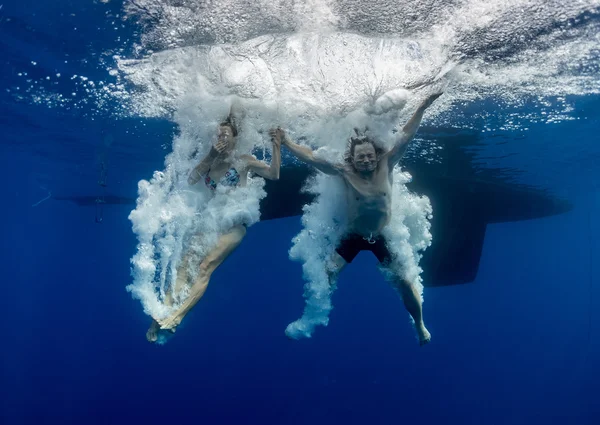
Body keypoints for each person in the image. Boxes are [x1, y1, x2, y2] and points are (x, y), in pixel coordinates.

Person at [272, 92, 442, 345]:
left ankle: (419, 324)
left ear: (376, 155)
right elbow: (311, 158)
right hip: (353, 236)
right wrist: (286, 142)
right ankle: (311, 315)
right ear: (353, 159)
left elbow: (406, 135)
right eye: (360, 157)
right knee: (327, 273)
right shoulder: (344, 171)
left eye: (369, 155)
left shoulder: (388, 163)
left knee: (405, 283)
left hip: (381, 236)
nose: (366, 160)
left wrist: (423, 105)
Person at [146, 115, 282, 342]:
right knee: (183, 267)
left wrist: (277, 145)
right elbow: (191, 180)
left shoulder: (243, 160)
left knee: (204, 267)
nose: (222, 138)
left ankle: (177, 317)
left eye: (226, 135)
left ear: (235, 139)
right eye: (218, 134)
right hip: (211, 223)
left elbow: (274, 174)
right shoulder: (209, 160)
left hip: (234, 225)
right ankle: (159, 316)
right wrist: (210, 155)